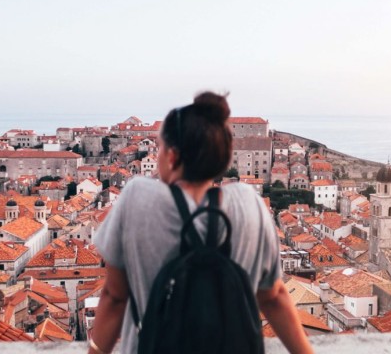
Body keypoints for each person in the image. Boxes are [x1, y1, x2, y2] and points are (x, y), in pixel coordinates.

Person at [90, 92, 313, 354]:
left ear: (172, 157)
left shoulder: (138, 198)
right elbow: (273, 297)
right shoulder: (248, 203)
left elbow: (115, 298)